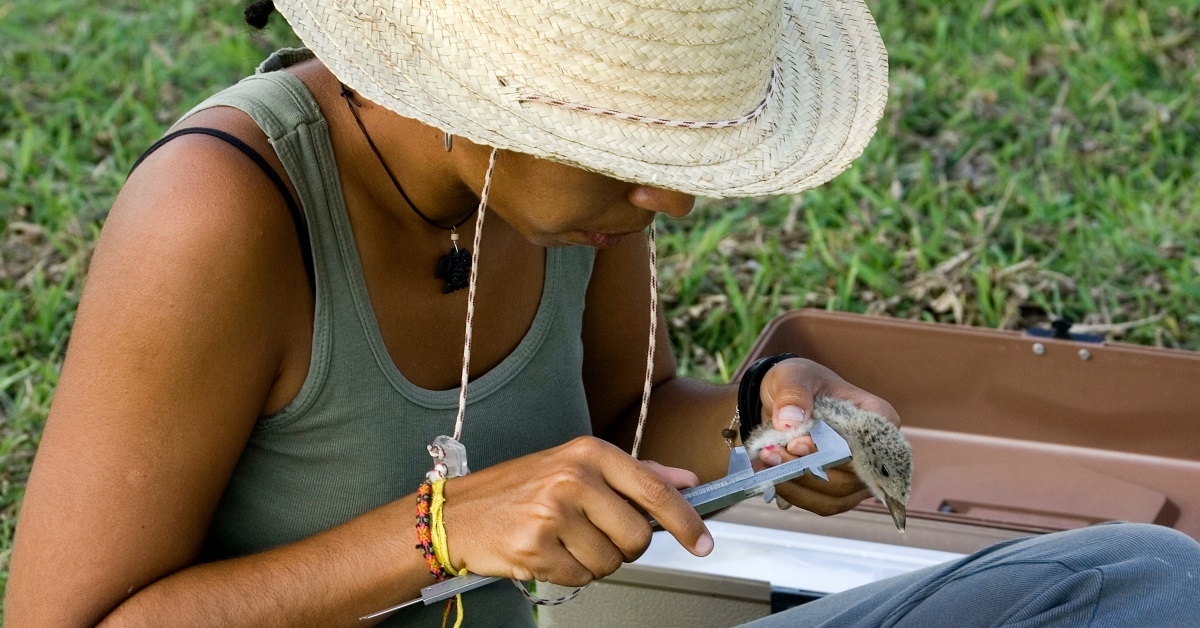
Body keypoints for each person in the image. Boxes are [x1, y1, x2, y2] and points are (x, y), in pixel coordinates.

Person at [6, 0, 1200, 626]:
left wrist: (771, 428)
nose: (668, 195)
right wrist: (436, 532)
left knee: (1140, 581)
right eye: (624, 149)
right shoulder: (220, 217)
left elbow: (620, 425)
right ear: (476, 94)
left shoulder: (568, 209)